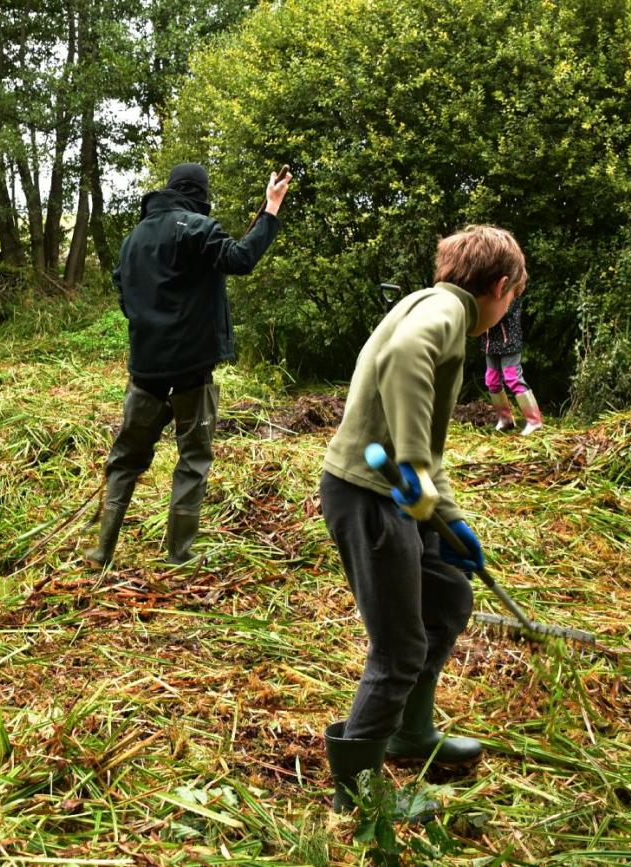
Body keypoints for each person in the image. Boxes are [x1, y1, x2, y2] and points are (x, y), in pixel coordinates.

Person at [318, 225, 528, 814]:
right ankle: (358, 795)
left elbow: (430, 454)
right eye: (512, 299)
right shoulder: (443, 314)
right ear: (501, 286)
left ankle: (411, 732)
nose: (508, 308)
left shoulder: (435, 302)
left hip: (395, 495)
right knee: (398, 648)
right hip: (369, 495)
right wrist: (411, 465)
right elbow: (408, 358)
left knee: (448, 599)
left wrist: (450, 521)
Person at [86, 162, 291, 567]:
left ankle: (100, 550)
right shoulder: (197, 227)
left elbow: (121, 287)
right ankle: (179, 554)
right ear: (199, 192)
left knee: (126, 458)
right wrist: (271, 208)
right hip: (191, 371)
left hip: (144, 370)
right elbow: (240, 259)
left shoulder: (133, 239)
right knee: (193, 458)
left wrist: (145, 321)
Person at [482, 294, 543, 434]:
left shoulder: (509, 292)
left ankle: (534, 421)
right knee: (492, 381)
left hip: (508, 343)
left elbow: (500, 313)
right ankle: (505, 420)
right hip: (490, 345)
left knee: (512, 378)